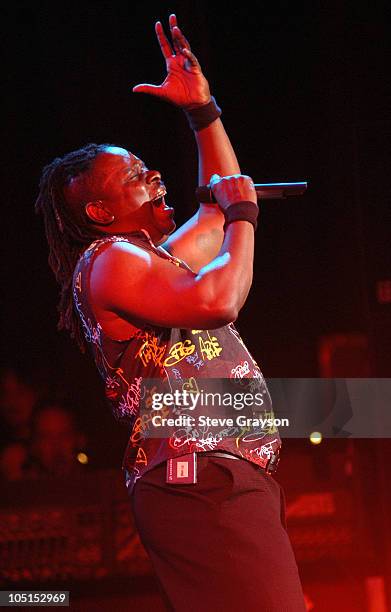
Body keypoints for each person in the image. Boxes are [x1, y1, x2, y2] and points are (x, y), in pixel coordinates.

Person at [35, 14, 306, 611]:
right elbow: (218, 298)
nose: (155, 176)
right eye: (135, 177)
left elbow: (212, 211)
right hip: (198, 478)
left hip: (220, 475)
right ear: (102, 213)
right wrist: (245, 217)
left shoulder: (150, 264)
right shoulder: (110, 261)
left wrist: (202, 113)